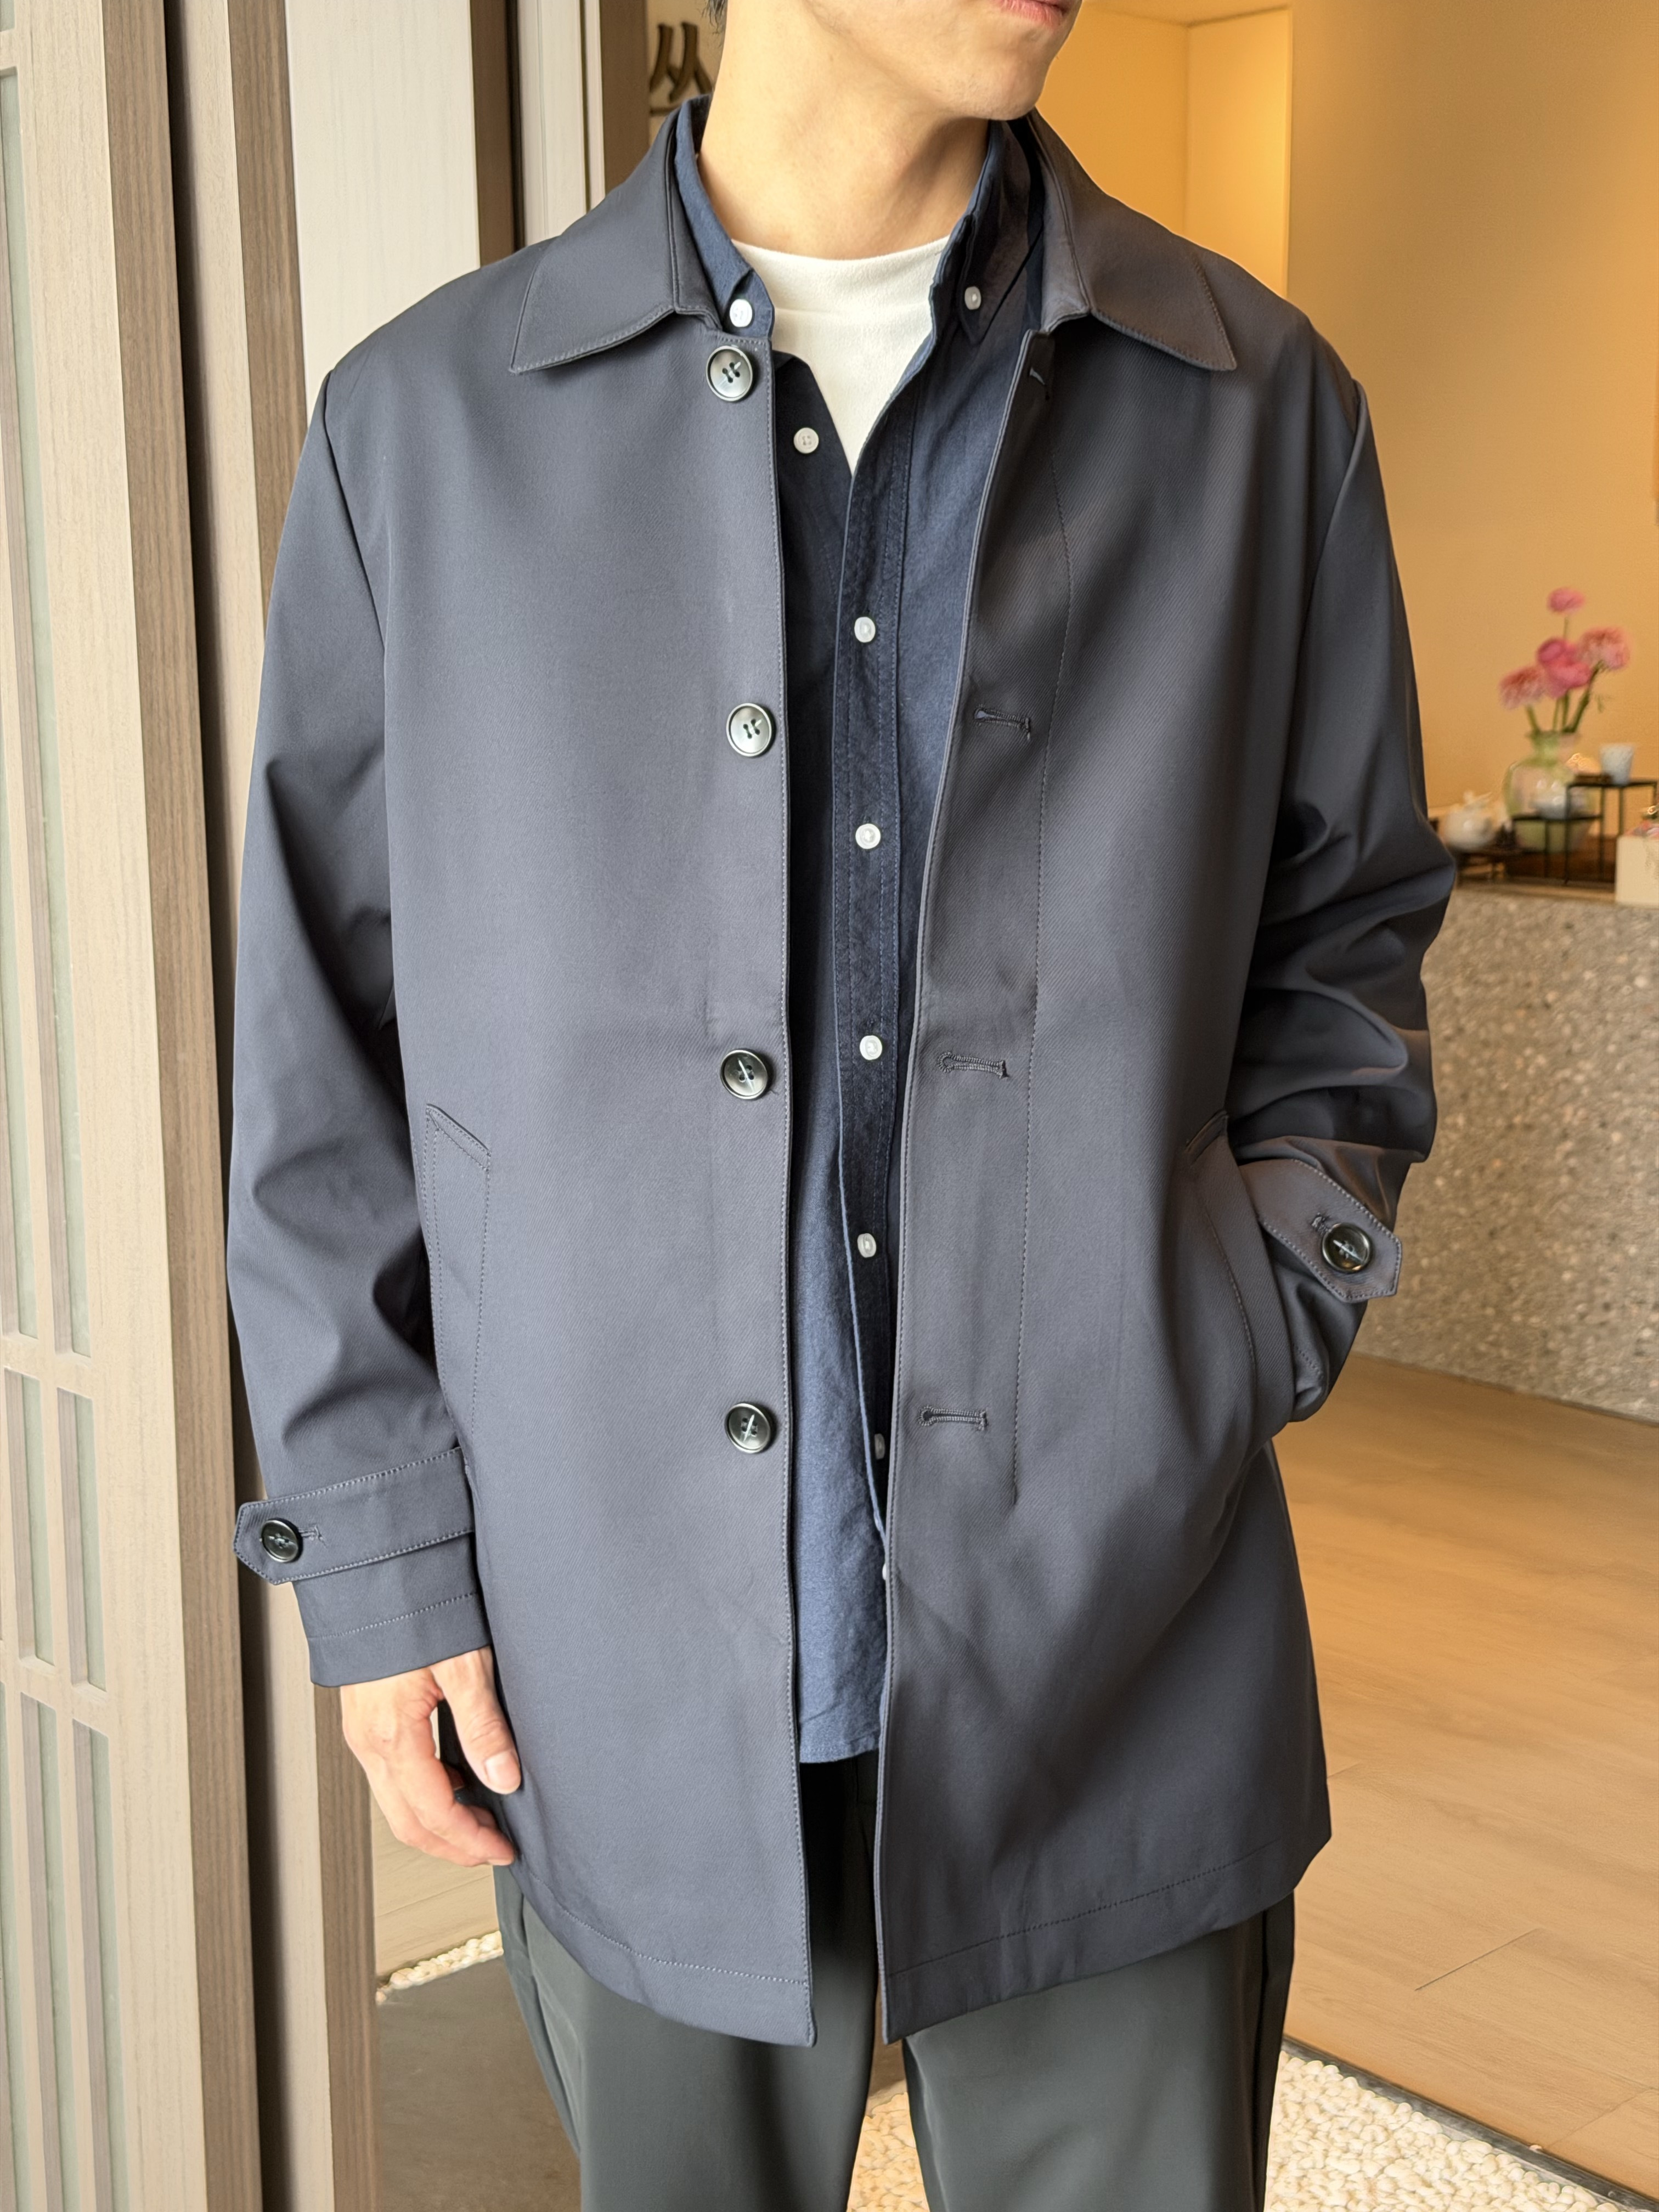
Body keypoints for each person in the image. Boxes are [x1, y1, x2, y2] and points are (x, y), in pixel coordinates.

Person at [228, 0, 1453, 2203]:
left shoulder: (1258, 404)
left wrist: (1246, 1308)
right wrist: (385, 1559)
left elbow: (1347, 931)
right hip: (618, 1643)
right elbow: (328, 1046)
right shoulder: (424, 427)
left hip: (1125, 1625)